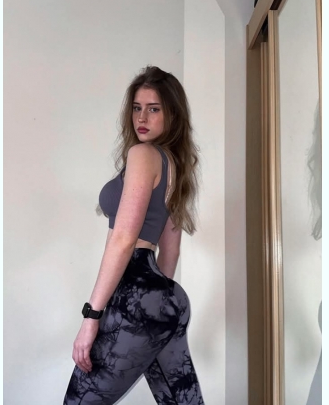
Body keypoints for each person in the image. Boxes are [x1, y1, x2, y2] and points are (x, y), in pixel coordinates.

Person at [63, 66, 205, 405]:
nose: (142, 117)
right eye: (137, 108)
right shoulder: (175, 165)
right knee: (182, 401)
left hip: (135, 292)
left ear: (172, 115)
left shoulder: (142, 155)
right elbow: (170, 251)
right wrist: (156, 302)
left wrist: (92, 316)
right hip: (164, 296)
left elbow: (124, 239)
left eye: (154, 109)